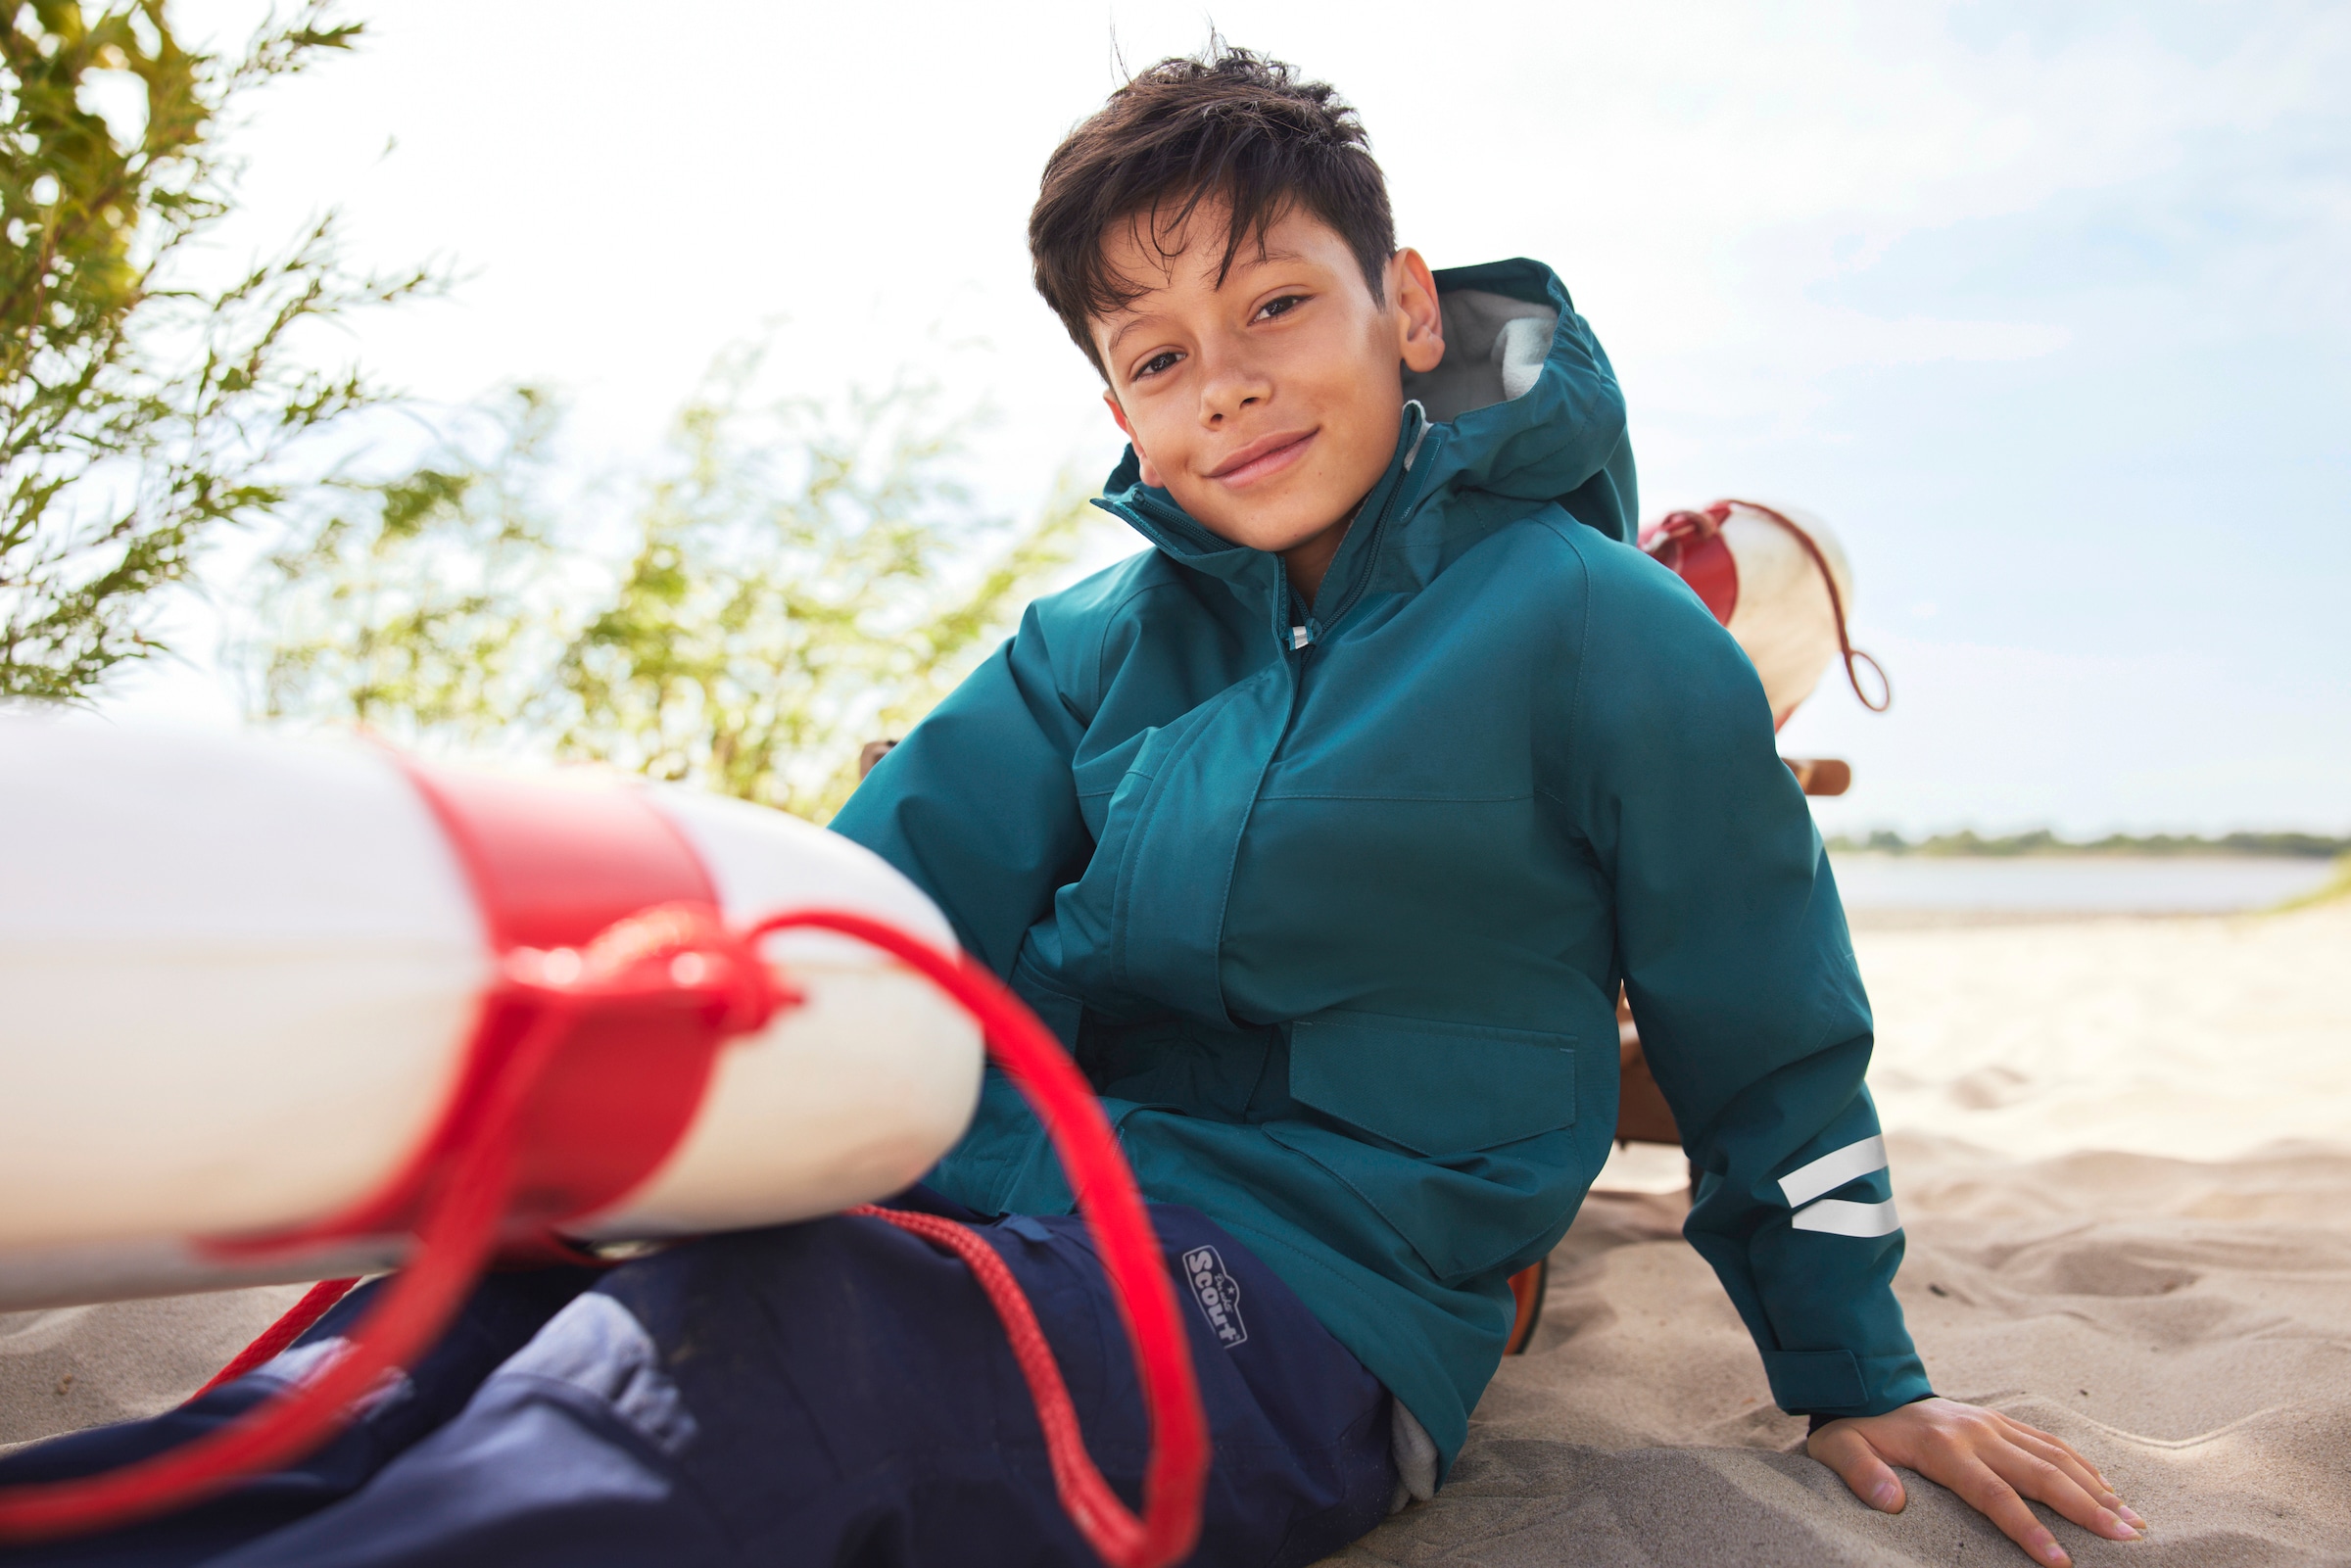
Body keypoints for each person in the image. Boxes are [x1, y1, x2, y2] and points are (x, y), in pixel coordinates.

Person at [0, 47, 2147, 1568]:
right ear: (1111, 397)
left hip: (1309, 1302)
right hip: (1000, 1188)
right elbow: (863, 908)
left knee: (769, 1371)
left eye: (1278, 306)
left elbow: (1768, 1025)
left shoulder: (1601, 632)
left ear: (1406, 307)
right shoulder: (1086, 650)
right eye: (1154, 351)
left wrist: (1856, 1367)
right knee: (488, 1301)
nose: (1224, 387)